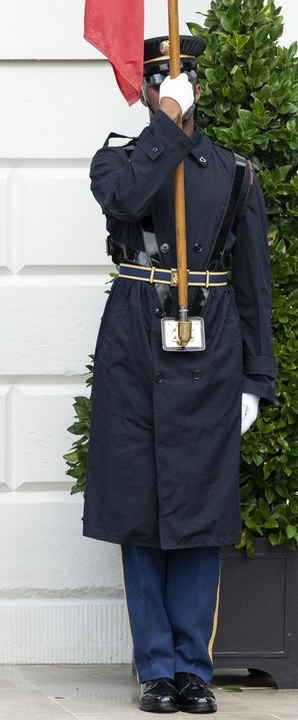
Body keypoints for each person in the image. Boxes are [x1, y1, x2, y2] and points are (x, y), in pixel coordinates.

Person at [86, 35, 276, 714]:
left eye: (183, 81)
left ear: (198, 86)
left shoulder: (235, 172)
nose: (174, 91)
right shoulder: (117, 159)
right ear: (146, 92)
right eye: (160, 83)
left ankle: (194, 668)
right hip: (135, 343)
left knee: (200, 512)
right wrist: (164, 124)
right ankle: (156, 670)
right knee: (139, 512)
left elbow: (254, 284)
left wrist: (257, 378)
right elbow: (128, 198)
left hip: (209, 343)